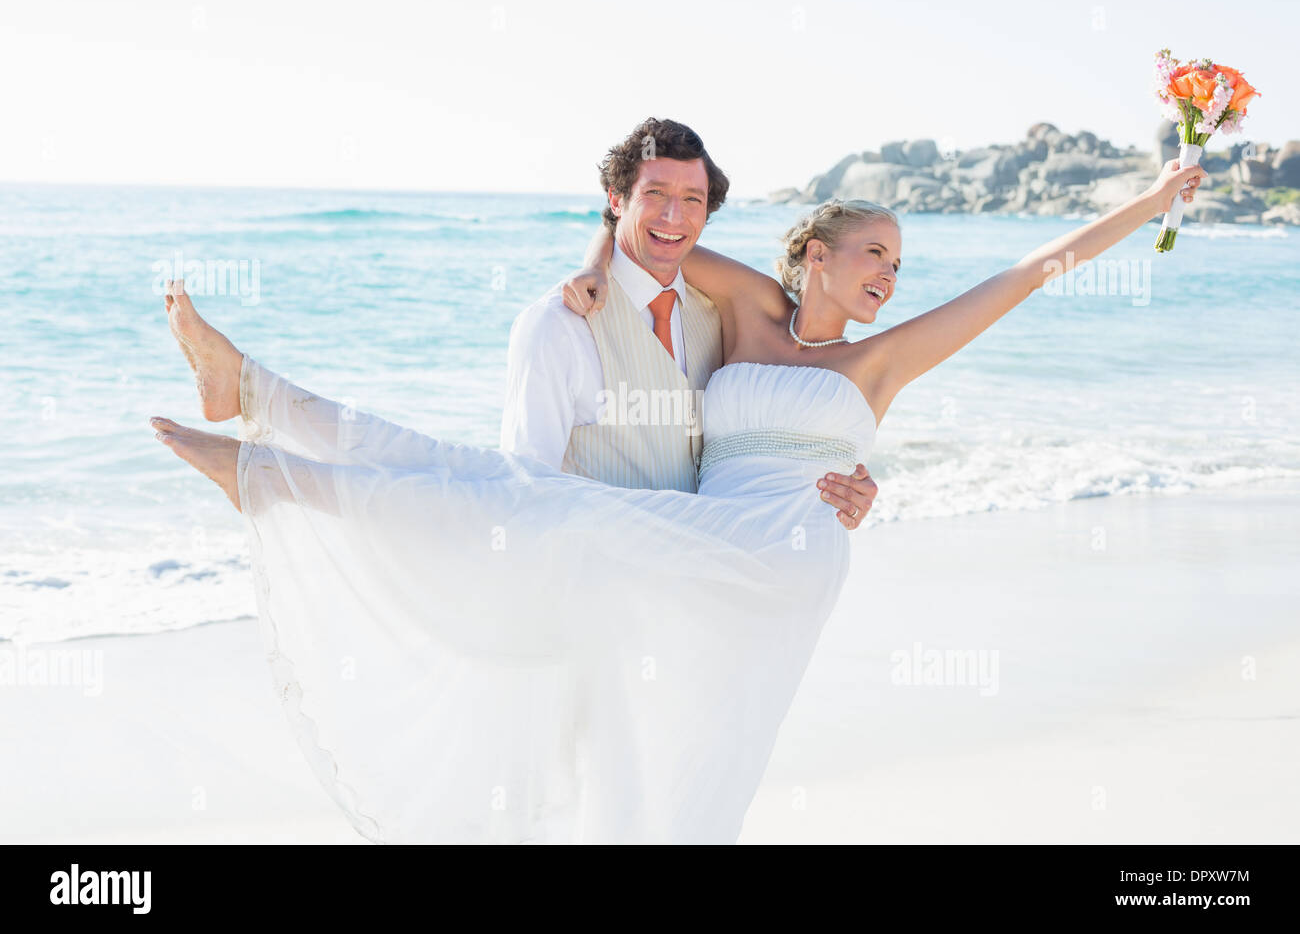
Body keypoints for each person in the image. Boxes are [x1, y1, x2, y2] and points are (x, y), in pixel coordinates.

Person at [150, 151, 1203, 845]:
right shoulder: (746, 313)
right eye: (873, 252)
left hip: (783, 553)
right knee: (509, 491)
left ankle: (263, 465)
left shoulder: (883, 361)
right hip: (704, 530)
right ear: (816, 255)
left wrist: (1154, 201)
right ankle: (257, 406)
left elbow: (1030, 272)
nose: (890, 273)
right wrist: (584, 267)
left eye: (899, 259)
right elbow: (641, 229)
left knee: (533, 512)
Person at [500, 118, 878, 527]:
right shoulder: (556, 326)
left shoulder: (719, 317)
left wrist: (836, 488)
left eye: (693, 199)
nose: (673, 216)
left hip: (713, 569)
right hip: (602, 578)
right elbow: (524, 489)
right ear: (616, 200)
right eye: (655, 192)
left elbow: (764, 435)